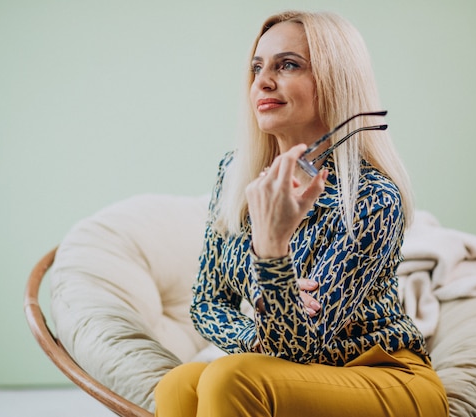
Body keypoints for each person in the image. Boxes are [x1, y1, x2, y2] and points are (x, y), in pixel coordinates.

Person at [154, 10, 449, 417]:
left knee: (230, 378)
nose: (263, 81)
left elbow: (296, 347)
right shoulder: (234, 173)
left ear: (334, 80)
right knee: (177, 385)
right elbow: (207, 303)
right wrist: (256, 335)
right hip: (286, 370)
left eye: (287, 65)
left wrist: (270, 249)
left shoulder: (373, 196)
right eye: (257, 67)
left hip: (383, 377)